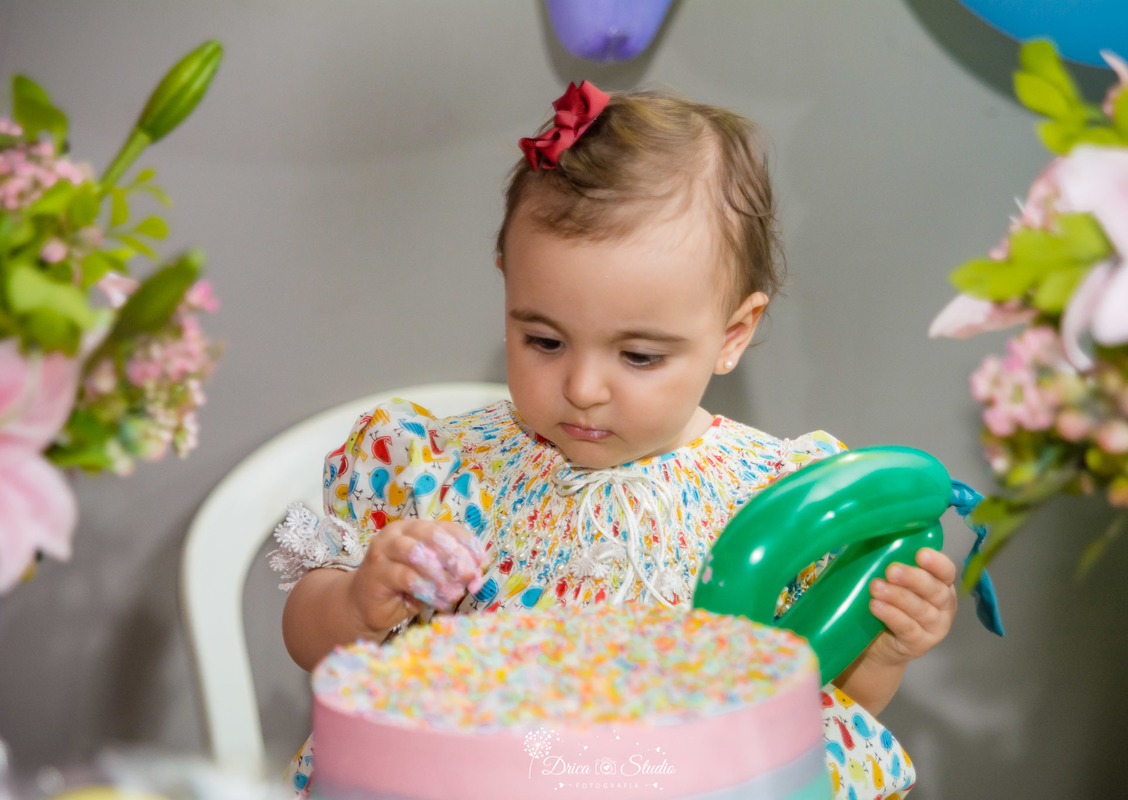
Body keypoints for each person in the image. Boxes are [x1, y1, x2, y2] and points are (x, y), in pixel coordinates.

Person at [270, 81, 958, 799]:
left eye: (638, 357)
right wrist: (357, 603)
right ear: (507, 289)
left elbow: (813, 720)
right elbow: (309, 639)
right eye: (543, 339)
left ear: (732, 334)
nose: (584, 387)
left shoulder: (777, 505)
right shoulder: (437, 471)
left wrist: (884, 649)